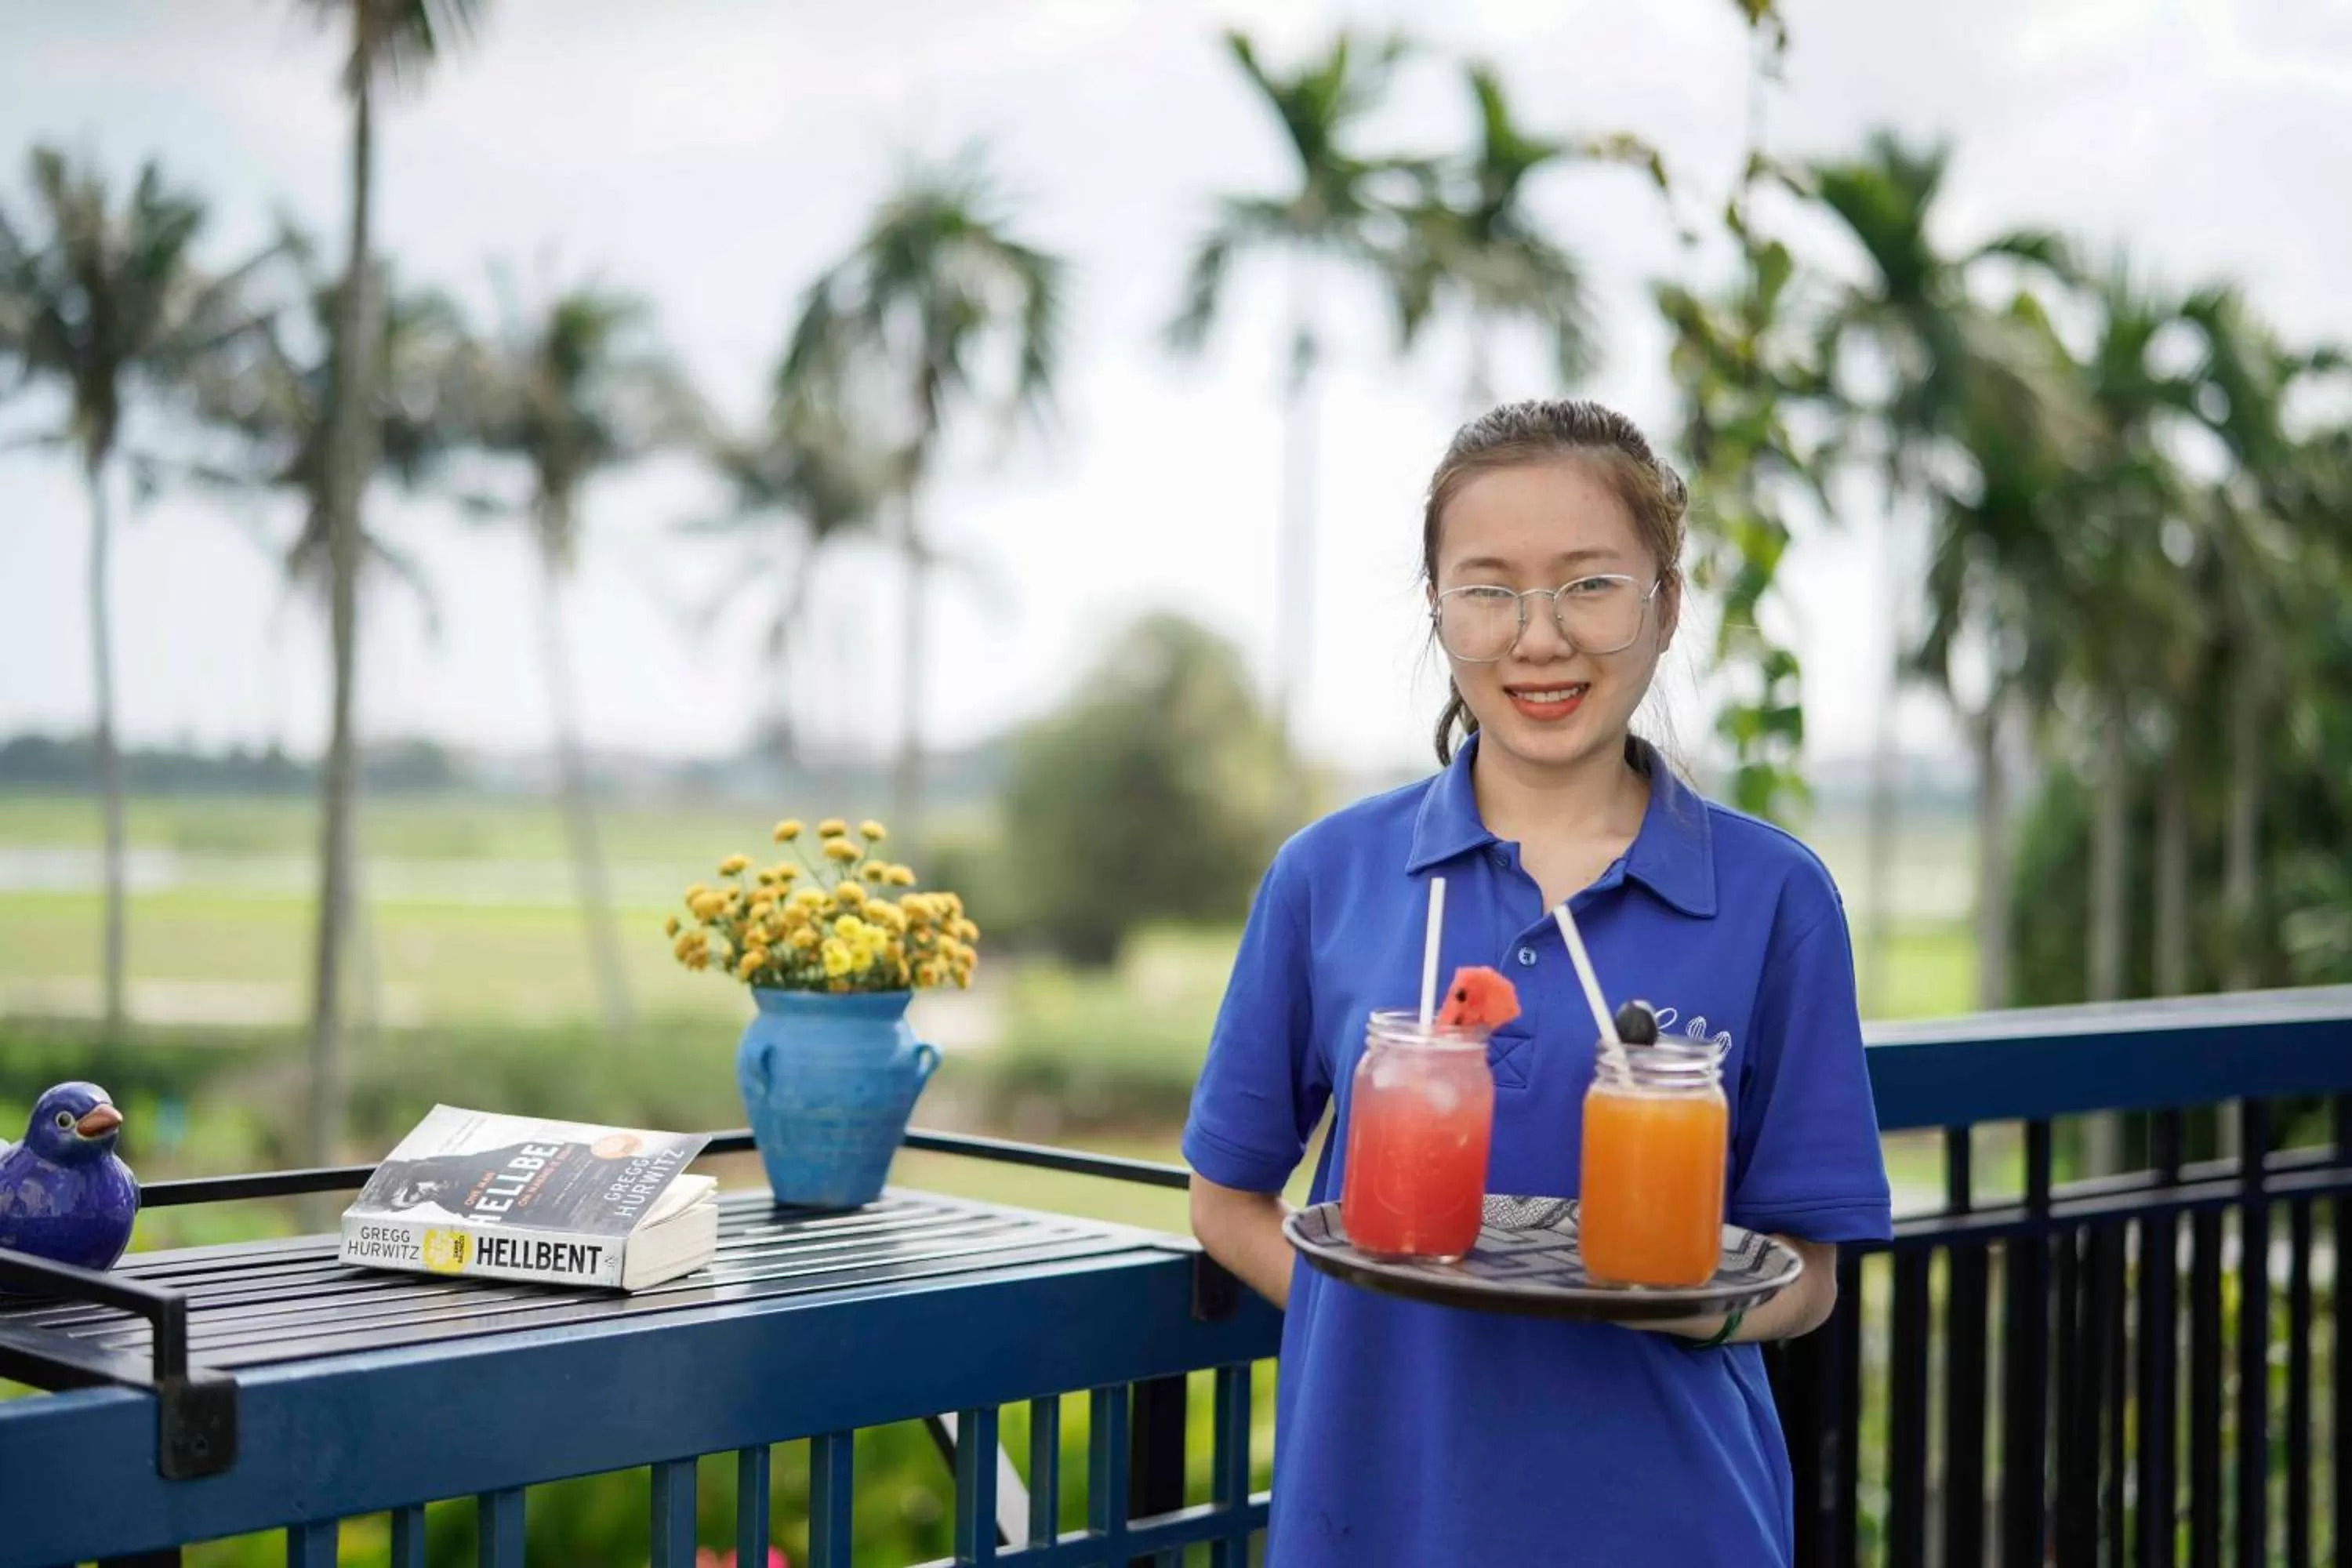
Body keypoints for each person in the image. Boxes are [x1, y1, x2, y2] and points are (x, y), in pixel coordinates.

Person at [1182, 399, 1893, 1566]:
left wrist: (1681, 1307)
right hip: (1376, 1515)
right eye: (1490, 587)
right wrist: (1384, 1311)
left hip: (1671, 1520)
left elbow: (1808, 1271)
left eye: (1590, 584)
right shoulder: (1329, 878)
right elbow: (1226, 1201)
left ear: (1667, 602)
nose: (1539, 637)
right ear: (1439, 609)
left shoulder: (1776, 899)